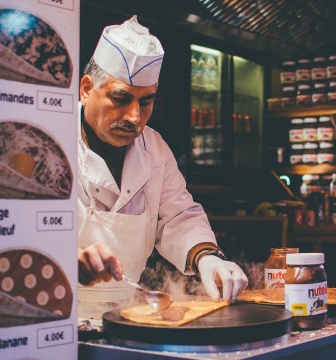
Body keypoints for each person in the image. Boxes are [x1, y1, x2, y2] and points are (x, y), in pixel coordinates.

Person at [77, 16, 248, 319]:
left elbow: (177, 216)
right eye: (121, 98)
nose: (134, 117)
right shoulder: (48, 141)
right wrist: (61, 257)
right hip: (52, 314)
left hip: (124, 316)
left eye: (146, 102)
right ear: (87, 88)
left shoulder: (154, 149)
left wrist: (209, 258)